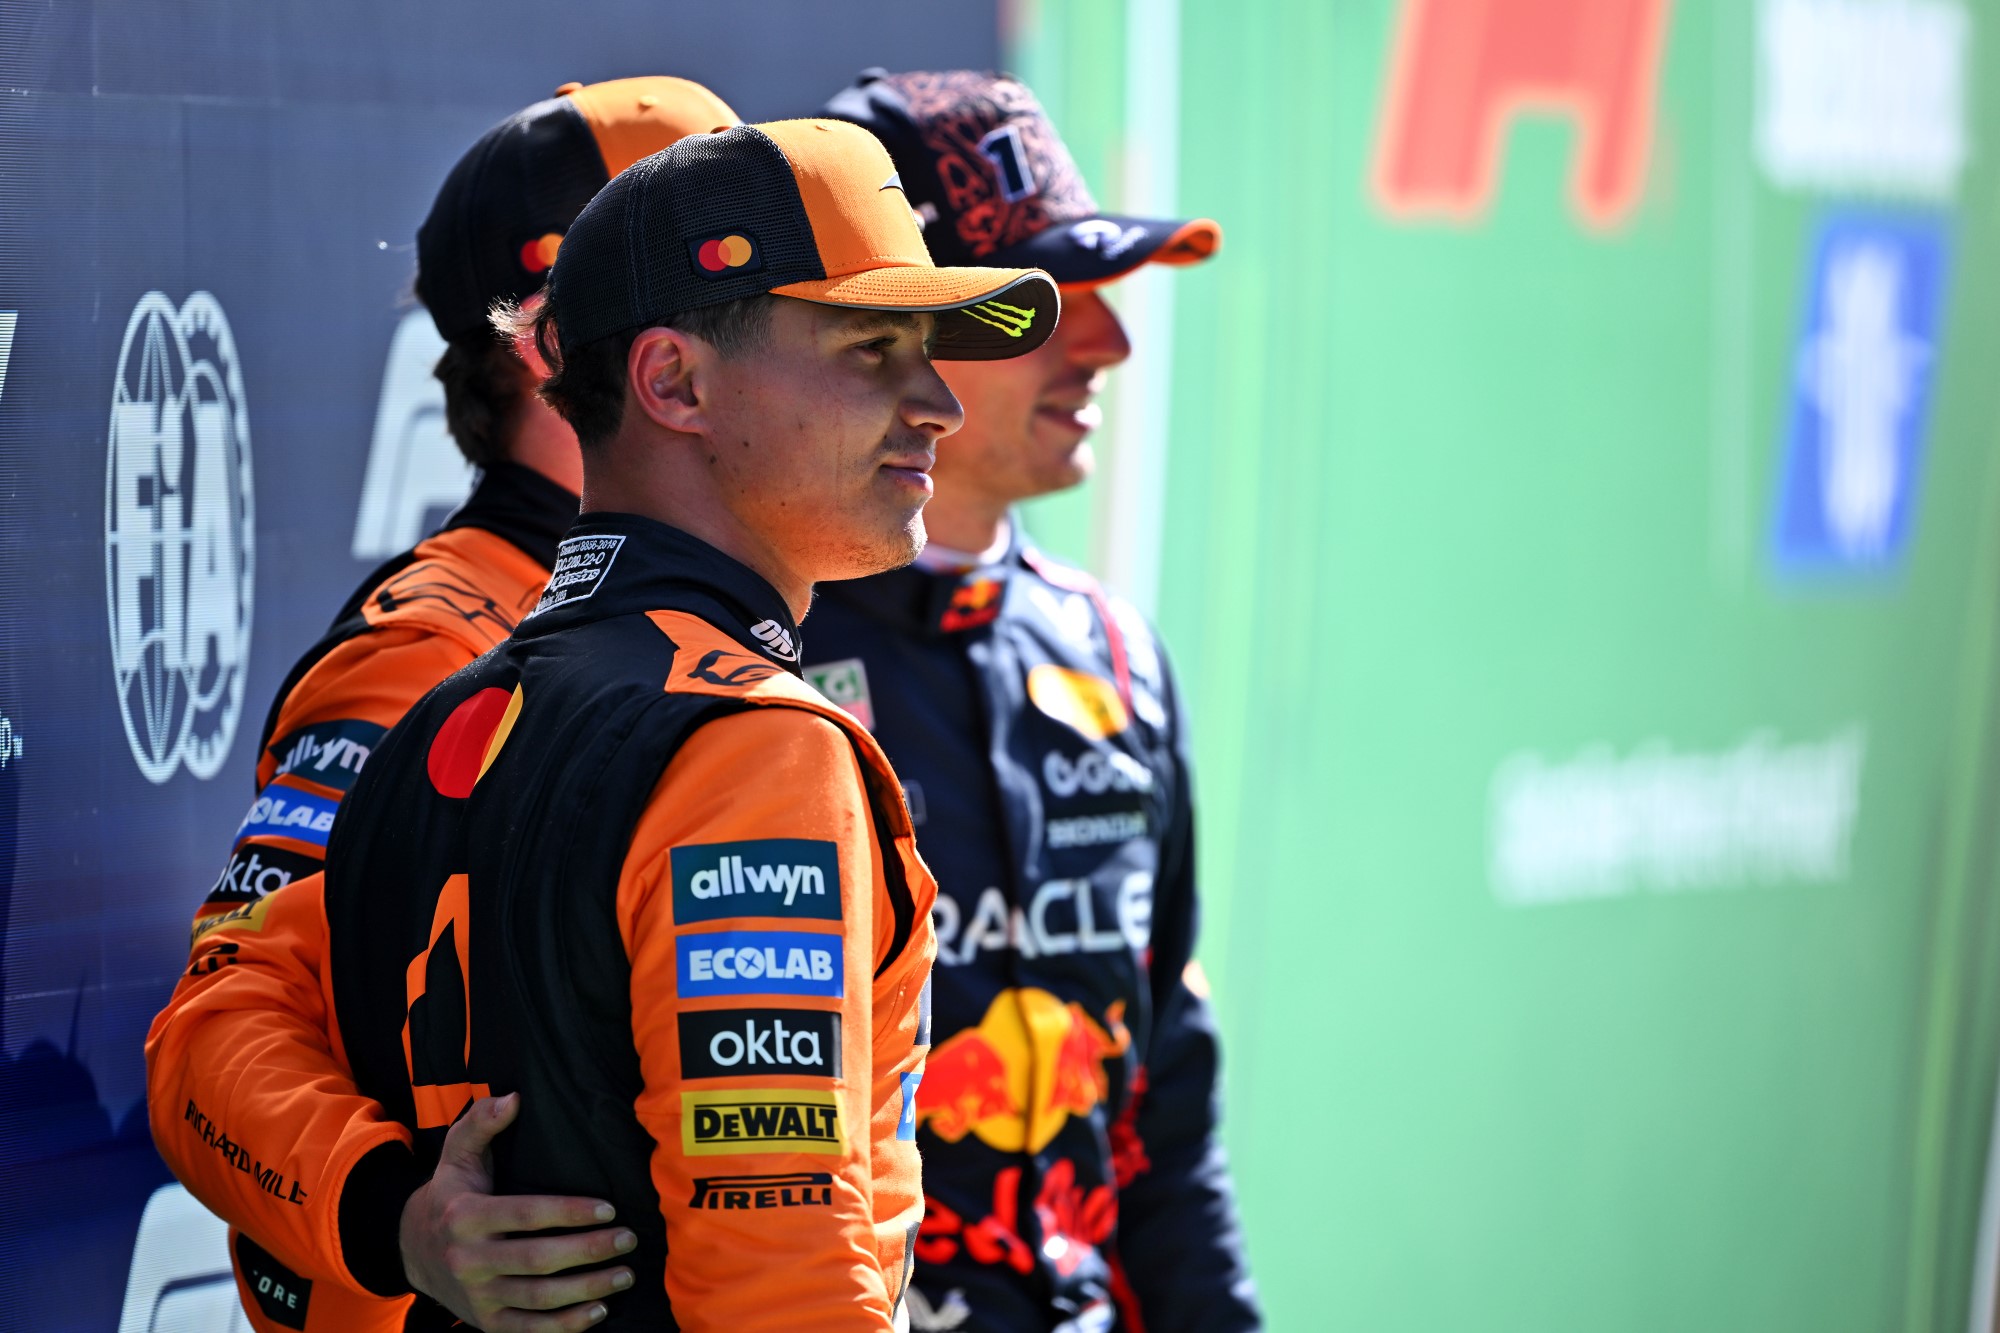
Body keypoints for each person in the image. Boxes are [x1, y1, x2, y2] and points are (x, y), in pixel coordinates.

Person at [153, 116, 1061, 1332]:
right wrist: (389, 1212)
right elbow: (778, 1281)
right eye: (867, 347)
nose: (939, 403)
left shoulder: (457, 707)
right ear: (666, 376)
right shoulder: (728, 733)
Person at [146, 76, 746, 1333]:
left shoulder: (717, 631)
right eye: (737, 291)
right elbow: (216, 1029)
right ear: (553, 343)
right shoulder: (431, 650)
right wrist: (394, 1212)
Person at [800, 70, 1260, 1333]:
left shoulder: (1115, 655)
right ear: (888, 333)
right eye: (1042, 303)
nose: (1108, 342)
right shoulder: (736, 666)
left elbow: (1164, 1112)